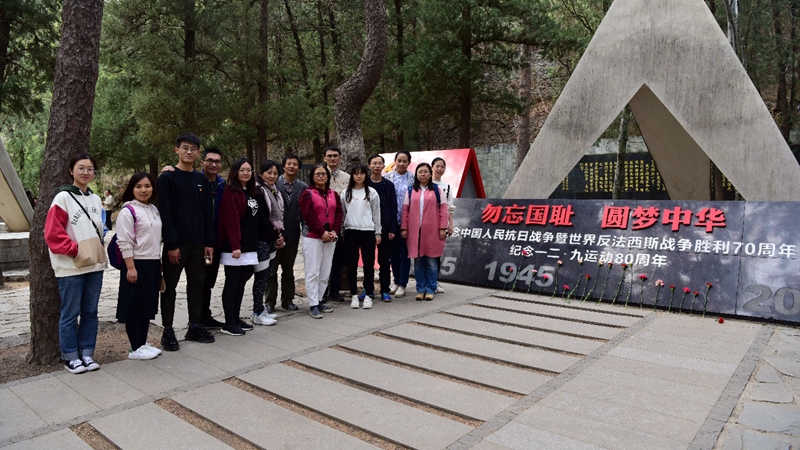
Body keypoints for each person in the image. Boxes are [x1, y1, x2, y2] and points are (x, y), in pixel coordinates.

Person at [44, 153, 108, 374]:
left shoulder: (95, 199)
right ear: (71, 171)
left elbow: (100, 227)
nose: (85, 172)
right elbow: (53, 233)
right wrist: (75, 250)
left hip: (95, 265)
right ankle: (71, 356)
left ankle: (87, 353)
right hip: (70, 266)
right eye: (81, 168)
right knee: (70, 314)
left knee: (90, 312)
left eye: (90, 169)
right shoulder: (63, 198)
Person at [157, 133, 215, 350]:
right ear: (177, 150)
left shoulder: (202, 180)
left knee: (197, 285)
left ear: (198, 153)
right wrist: (172, 244)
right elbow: (165, 213)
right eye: (185, 148)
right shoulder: (167, 178)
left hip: (199, 245)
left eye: (193, 148)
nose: (189, 152)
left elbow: (207, 213)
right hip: (177, 244)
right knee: (169, 287)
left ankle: (194, 326)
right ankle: (168, 330)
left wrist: (209, 243)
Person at [218, 158, 269, 335]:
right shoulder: (231, 191)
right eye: (242, 170)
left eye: (248, 170)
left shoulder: (251, 191)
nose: (246, 173)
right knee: (232, 283)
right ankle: (228, 322)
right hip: (235, 247)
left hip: (249, 245)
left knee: (241, 283)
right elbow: (230, 220)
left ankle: (236, 317)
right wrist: (235, 245)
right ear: (235, 172)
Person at [115, 173, 163, 360]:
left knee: (146, 305)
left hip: (152, 263)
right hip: (136, 263)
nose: (144, 190)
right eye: (139, 186)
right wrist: (130, 267)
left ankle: (142, 343)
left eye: (147, 186)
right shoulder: (128, 211)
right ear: (132, 189)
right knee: (134, 306)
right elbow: (124, 241)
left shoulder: (153, 209)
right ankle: (135, 347)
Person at [299, 164, 342, 319]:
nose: (321, 176)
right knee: (313, 272)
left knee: (325, 271)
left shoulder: (333, 194)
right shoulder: (307, 194)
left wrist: (334, 231)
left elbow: (339, 213)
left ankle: (319, 299)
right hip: (313, 237)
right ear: (312, 176)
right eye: (317, 174)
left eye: (323, 174)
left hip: (330, 237)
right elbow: (308, 216)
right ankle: (313, 304)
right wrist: (321, 232)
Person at [401, 163, 448, 301]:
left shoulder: (437, 190)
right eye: (420, 172)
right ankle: (420, 289)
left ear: (430, 173)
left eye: (425, 171)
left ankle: (430, 288)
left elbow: (444, 210)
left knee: (432, 261)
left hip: (432, 231)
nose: (423, 174)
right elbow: (405, 211)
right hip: (415, 232)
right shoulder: (411, 191)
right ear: (416, 174)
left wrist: (443, 228)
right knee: (418, 261)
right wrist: (404, 228)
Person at [266, 155, 307, 312]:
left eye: (295, 164)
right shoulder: (273, 184)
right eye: (289, 164)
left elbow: (304, 212)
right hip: (274, 234)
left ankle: (287, 300)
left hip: (293, 234)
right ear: (283, 166)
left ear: (298, 168)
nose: (291, 166)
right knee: (271, 270)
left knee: (288, 270)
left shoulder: (302, 187)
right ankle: (269, 301)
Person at [341, 164, 381, 309]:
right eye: (356, 173)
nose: (359, 176)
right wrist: (343, 231)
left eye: (362, 173)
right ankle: (354, 295)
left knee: (368, 264)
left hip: (368, 231)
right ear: (352, 175)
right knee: (351, 265)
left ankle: (368, 294)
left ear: (366, 175)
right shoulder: (345, 193)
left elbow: (376, 214)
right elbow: (343, 214)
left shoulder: (372, 192)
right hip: (351, 231)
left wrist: (378, 232)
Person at [252, 160, 284, 325]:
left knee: (266, 275)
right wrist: (274, 235)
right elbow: (261, 218)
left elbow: (278, 216)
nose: (272, 176)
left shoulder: (274, 191)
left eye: (275, 173)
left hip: (271, 238)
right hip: (262, 240)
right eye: (268, 172)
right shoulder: (258, 191)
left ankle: (260, 309)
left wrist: (279, 234)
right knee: (261, 277)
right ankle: (257, 311)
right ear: (260, 173)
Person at [367, 154, 397, 303]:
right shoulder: (364, 184)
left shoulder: (389, 185)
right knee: (368, 260)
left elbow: (393, 207)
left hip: (385, 227)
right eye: (374, 163)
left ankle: (385, 289)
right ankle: (368, 289)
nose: (377, 166)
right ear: (369, 166)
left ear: (384, 166)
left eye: (380, 163)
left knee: (384, 260)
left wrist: (392, 229)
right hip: (366, 227)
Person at [385, 150, 414, 297]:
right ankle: (396, 281)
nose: (402, 163)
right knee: (393, 253)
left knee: (405, 253)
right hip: (391, 222)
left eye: (405, 161)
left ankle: (403, 283)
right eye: (399, 160)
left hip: (407, 222)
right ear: (395, 161)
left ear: (409, 163)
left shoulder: (413, 179)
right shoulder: (387, 177)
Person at [324, 146, 350, 303]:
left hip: (341, 225)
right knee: (322, 261)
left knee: (337, 261)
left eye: (335, 156)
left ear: (340, 158)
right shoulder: (320, 175)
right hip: (323, 227)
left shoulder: (347, 177)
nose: (332, 158)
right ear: (325, 158)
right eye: (329, 156)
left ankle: (334, 290)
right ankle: (322, 292)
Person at [431, 157, 456, 294]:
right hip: (426, 224)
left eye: (442, 167)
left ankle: (434, 281)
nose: (439, 169)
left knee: (437, 254)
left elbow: (449, 207)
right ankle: (426, 282)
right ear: (432, 167)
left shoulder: (447, 187)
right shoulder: (425, 185)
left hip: (441, 224)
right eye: (437, 166)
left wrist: (450, 223)